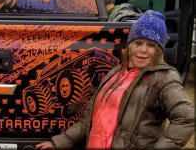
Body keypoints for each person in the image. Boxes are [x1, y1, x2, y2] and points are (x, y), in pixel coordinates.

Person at [35, 10, 194, 149]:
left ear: (159, 50)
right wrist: (59, 142)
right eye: (138, 43)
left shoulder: (164, 77)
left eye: (151, 45)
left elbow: (186, 118)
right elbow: (88, 121)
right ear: (129, 45)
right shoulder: (115, 73)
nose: (143, 50)